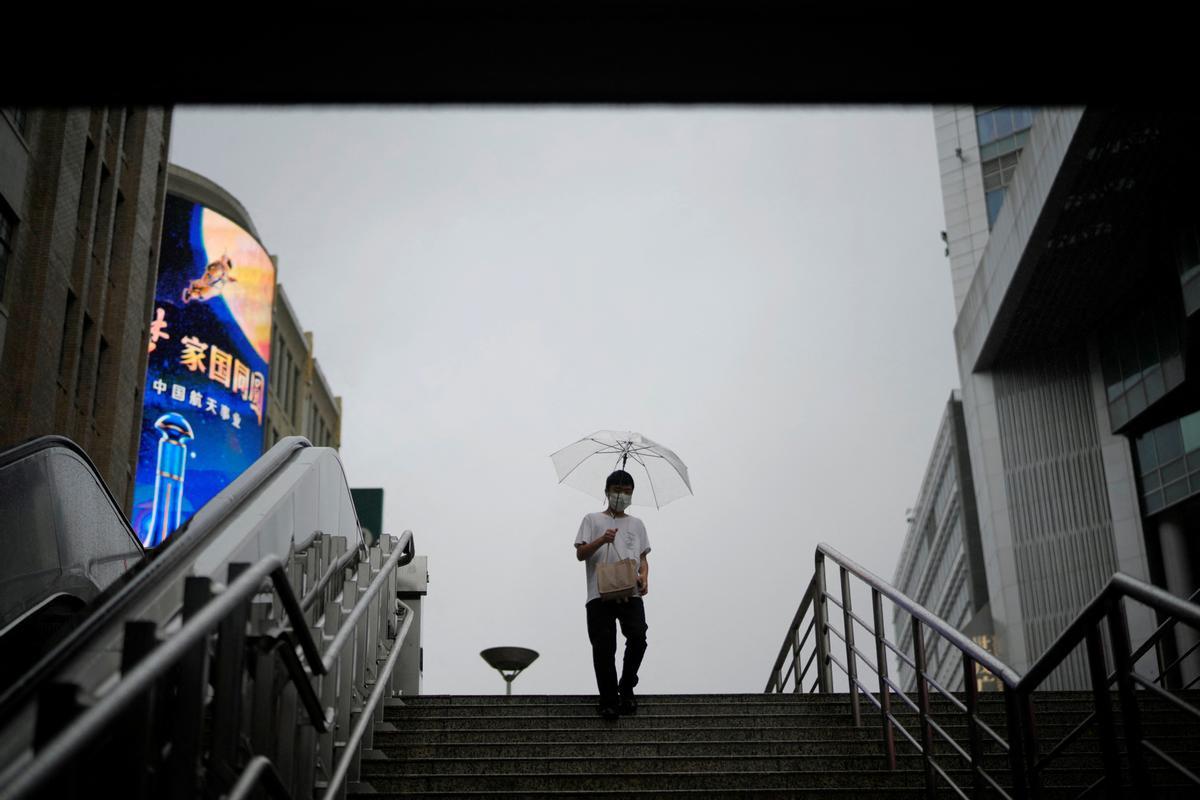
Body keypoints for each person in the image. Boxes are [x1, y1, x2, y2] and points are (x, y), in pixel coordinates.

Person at [574, 469, 650, 720]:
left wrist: (644, 577)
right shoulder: (591, 519)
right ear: (607, 492)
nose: (622, 496)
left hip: (631, 591)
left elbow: (643, 558)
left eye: (628, 492)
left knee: (638, 636)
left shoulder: (637, 524)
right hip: (599, 593)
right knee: (604, 647)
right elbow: (581, 553)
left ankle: (626, 685)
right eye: (618, 491)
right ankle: (608, 701)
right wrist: (601, 539)